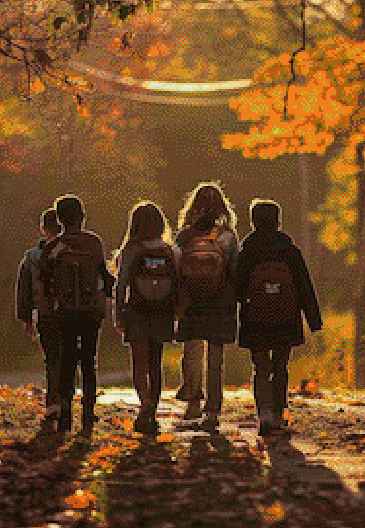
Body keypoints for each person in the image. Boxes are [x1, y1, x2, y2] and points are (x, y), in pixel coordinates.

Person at [236, 198, 322, 436]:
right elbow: (304, 286)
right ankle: (278, 413)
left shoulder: (248, 251)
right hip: (287, 317)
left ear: (252, 221)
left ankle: (263, 412)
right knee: (281, 366)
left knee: (261, 366)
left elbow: (238, 287)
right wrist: (314, 320)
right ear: (278, 221)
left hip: (256, 318)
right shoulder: (290, 251)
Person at [39, 194, 114, 436]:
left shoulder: (52, 248)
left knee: (67, 361)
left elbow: (44, 280)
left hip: (64, 312)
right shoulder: (94, 243)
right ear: (82, 216)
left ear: (59, 219)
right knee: (89, 360)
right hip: (91, 311)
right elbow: (104, 275)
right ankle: (89, 412)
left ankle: (65, 414)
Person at [174, 181, 240, 430]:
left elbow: (177, 268)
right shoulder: (228, 238)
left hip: (191, 301)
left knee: (191, 352)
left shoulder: (185, 235)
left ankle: (192, 403)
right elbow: (235, 271)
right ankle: (212, 411)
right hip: (220, 302)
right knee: (215, 356)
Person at [112, 201, 180, 434]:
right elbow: (178, 284)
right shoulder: (168, 250)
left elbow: (120, 285)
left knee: (139, 364)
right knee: (155, 363)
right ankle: (152, 411)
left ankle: (145, 406)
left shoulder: (131, 250)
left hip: (137, 312)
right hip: (162, 313)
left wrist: (118, 314)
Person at [15, 208, 63, 433]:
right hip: (72, 313)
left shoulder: (32, 257)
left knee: (51, 358)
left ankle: (53, 403)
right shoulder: (74, 251)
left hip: (45, 313)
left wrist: (26, 318)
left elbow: (24, 289)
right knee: (69, 358)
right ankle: (66, 401)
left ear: (43, 229)